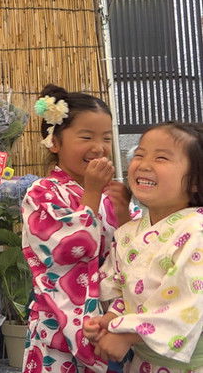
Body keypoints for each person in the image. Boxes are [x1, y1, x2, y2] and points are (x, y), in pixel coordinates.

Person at [21, 84, 132, 373]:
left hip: (108, 325)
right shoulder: (41, 192)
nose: (99, 146)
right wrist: (92, 194)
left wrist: (122, 214)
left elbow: (133, 250)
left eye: (106, 138)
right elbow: (68, 249)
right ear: (54, 143)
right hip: (58, 323)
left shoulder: (110, 195)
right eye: (86, 137)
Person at [84, 122, 203, 373]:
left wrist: (128, 335)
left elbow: (188, 303)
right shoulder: (127, 232)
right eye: (139, 154)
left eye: (161, 157)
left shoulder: (196, 229)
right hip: (142, 363)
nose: (144, 164)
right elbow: (121, 289)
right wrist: (111, 320)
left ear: (195, 181)